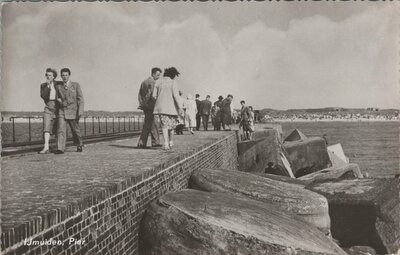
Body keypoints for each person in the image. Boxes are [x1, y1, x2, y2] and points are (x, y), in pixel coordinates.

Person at [152, 67, 183, 150]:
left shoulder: (158, 82)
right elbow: (176, 96)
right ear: (173, 75)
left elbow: (153, 96)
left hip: (161, 108)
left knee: (164, 126)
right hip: (171, 108)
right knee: (172, 126)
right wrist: (180, 108)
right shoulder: (173, 82)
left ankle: (165, 144)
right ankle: (171, 142)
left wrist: (159, 100)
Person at [55, 68, 84, 154]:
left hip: (73, 111)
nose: (64, 77)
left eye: (66, 75)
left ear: (69, 76)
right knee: (61, 129)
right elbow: (56, 97)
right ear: (61, 76)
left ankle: (79, 144)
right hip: (62, 110)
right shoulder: (58, 87)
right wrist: (58, 100)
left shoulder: (75, 85)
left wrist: (80, 111)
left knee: (75, 130)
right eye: (63, 75)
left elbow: (80, 99)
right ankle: (60, 148)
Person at [137, 67, 162, 148]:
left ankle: (155, 142)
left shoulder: (143, 82)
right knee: (148, 125)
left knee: (153, 124)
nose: (158, 77)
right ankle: (141, 143)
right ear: (153, 74)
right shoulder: (153, 82)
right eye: (158, 75)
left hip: (146, 106)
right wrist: (145, 103)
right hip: (150, 106)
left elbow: (140, 94)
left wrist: (141, 104)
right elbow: (149, 94)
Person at [39, 68, 61, 154]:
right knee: (46, 126)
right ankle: (46, 147)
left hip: (57, 107)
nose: (48, 77)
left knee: (58, 127)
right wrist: (48, 87)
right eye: (47, 75)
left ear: (54, 76)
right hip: (48, 107)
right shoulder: (43, 85)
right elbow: (43, 96)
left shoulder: (59, 84)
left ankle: (58, 146)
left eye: (50, 75)